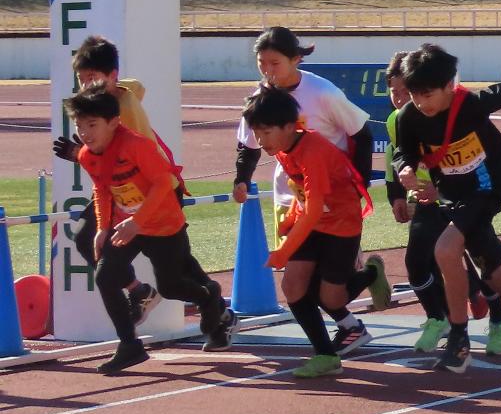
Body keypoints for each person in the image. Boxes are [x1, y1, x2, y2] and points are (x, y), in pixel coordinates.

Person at [387, 43, 501, 374]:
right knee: (486, 267)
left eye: (428, 94)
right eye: (415, 94)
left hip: (490, 184)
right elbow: (404, 152)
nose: (421, 103)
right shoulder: (410, 117)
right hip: (452, 191)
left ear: (450, 85)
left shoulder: (472, 104)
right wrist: (405, 167)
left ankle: (459, 341)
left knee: (446, 249)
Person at [70, 85, 235, 374]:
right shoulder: (87, 154)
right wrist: (102, 227)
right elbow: (102, 188)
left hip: (163, 224)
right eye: (79, 125)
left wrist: (138, 221)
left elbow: (163, 183)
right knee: (105, 275)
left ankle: (209, 295)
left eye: (92, 125)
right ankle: (129, 345)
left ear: (114, 122)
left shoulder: (136, 145)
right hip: (126, 225)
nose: (85, 133)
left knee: (171, 287)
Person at [243, 86, 390, 378]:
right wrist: (290, 220)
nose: (261, 141)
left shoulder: (314, 151)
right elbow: (306, 199)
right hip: (313, 223)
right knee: (293, 287)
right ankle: (325, 354)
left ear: (289, 125)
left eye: (266, 133)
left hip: (341, 224)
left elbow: (315, 206)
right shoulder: (285, 149)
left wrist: (284, 249)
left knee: (331, 298)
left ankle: (370, 274)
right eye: (256, 134)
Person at [383, 50, 501, 356]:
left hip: (460, 192)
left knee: (479, 260)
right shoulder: (399, 118)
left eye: (407, 91)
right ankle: (439, 320)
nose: (402, 98)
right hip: (426, 200)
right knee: (417, 262)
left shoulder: (456, 109)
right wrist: (397, 192)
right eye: (396, 91)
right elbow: (396, 156)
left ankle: (498, 314)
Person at [55, 36, 185, 325]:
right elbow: (137, 86)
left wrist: (80, 154)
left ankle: (211, 306)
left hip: (144, 189)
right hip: (117, 187)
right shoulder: (116, 94)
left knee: (176, 267)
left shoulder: (122, 111)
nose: (86, 86)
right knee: (88, 239)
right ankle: (141, 293)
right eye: (81, 79)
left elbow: (121, 157)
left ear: (110, 76)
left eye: (92, 78)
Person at [230, 28, 375, 248]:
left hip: (334, 193)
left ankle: (368, 274)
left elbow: (362, 135)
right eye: (262, 62)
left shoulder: (323, 92)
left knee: (335, 272)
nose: (267, 70)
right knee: (294, 274)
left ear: (296, 59)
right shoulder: (259, 100)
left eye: (275, 63)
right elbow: (249, 146)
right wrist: (242, 179)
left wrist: (358, 187)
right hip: (290, 197)